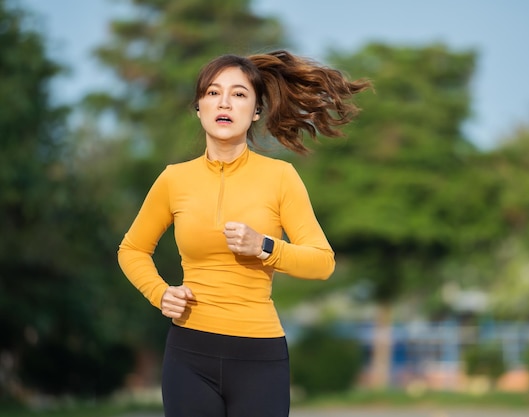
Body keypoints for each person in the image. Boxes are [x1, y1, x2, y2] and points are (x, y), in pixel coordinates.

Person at [117, 49, 371, 417]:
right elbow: (132, 249)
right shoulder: (174, 179)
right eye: (213, 92)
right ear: (199, 107)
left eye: (238, 94)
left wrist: (265, 246)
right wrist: (160, 294)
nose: (224, 102)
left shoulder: (281, 178)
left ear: (255, 112)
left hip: (259, 357)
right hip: (189, 354)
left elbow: (322, 263)